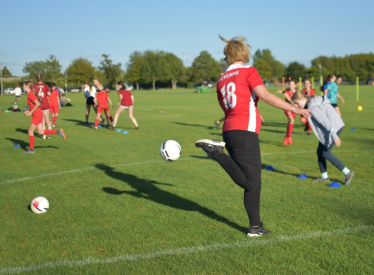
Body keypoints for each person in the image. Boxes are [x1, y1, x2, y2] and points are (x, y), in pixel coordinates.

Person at [195, 36, 311, 237]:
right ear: (244, 54)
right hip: (244, 131)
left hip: (230, 130)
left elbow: (229, 106)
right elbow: (265, 96)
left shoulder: (222, 79)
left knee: (255, 181)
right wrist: (294, 108)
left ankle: (255, 227)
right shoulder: (249, 71)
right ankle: (216, 152)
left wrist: (255, 113)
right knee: (250, 181)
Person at [291, 90, 355, 185]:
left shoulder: (312, 106)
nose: (296, 106)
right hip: (334, 126)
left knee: (325, 153)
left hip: (333, 128)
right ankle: (324, 177)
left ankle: (347, 172)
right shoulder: (313, 100)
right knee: (319, 152)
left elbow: (325, 121)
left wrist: (334, 136)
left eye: (297, 103)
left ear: (303, 98)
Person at [23, 80, 66, 154]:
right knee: (40, 132)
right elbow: (34, 105)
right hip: (38, 114)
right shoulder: (30, 93)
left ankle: (31, 149)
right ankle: (58, 132)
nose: (22, 87)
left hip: (37, 115)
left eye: (23, 86)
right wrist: (29, 111)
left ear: (27, 86)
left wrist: (30, 112)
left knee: (30, 131)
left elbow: (37, 104)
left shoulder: (30, 94)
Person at [277, 79, 298, 145]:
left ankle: (287, 136)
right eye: (289, 85)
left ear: (295, 85)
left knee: (290, 122)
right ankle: (289, 137)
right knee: (291, 119)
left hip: (294, 109)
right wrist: (286, 96)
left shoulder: (297, 92)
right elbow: (288, 98)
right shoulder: (287, 92)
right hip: (287, 108)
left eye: (292, 85)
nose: (291, 86)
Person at [33, 74, 52, 139]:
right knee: (48, 120)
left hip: (39, 105)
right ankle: (50, 130)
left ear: (36, 79)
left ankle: (44, 135)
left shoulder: (34, 86)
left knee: (42, 121)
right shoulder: (46, 86)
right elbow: (49, 94)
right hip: (45, 104)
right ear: (42, 78)